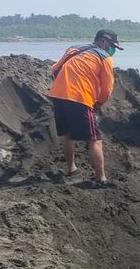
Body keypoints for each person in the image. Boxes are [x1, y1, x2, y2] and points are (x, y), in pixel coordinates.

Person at [49, 29, 121, 184]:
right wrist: (99, 103)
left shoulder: (74, 49)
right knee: (94, 138)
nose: (113, 50)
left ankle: (71, 168)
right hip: (79, 97)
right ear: (103, 41)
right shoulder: (105, 58)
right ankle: (100, 177)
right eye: (112, 46)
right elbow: (107, 89)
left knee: (67, 134)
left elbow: (54, 69)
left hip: (57, 95)